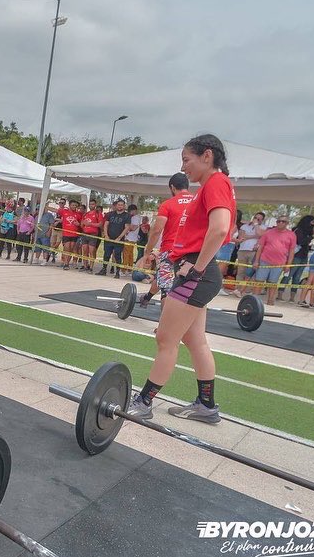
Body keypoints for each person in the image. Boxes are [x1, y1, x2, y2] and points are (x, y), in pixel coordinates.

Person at [126, 134, 236, 423]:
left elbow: (220, 228)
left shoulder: (216, 183)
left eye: (187, 160)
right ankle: (206, 405)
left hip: (197, 272)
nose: (184, 167)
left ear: (207, 156)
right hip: (196, 270)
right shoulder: (210, 186)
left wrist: (197, 268)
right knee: (195, 339)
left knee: (165, 338)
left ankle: (144, 401)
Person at [136, 173, 193, 308]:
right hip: (192, 253)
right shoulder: (198, 201)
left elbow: (156, 230)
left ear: (172, 187)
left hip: (171, 251)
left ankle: (164, 327)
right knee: (175, 283)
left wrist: (147, 252)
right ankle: (147, 297)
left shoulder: (168, 204)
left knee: (166, 289)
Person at [252, 215, 296, 306]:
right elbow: (260, 247)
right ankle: (255, 300)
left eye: (283, 221)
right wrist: (256, 261)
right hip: (264, 260)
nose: (280, 223)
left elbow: (292, 251)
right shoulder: (268, 232)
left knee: (273, 282)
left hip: (279, 263)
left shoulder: (291, 235)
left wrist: (288, 264)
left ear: (287, 223)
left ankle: (270, 301)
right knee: (259, 281)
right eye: (278, 221)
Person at [278, 215, 314, 303]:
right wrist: (312, 237)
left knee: (297, 277)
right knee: (289, 275)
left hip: (304, 256)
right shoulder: (298, 230)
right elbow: (300, 241)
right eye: (312, 222)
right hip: (295, 255)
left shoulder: (308, 232)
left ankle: (292, 297)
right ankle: (280, 294)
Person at [233, 211, 266, 296]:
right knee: (241, 271)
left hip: (254, 252)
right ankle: (237, 288)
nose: (256, 220)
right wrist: (255, 236)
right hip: (243, 250)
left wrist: (256, 226)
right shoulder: (245, 226)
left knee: (250, 272)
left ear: (262, 220)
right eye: (255, 218)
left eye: (259, 219)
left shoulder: (263, 227)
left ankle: (246, 290)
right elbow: (241, 237)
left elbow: (260, 234)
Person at [97, 199, 131, 278]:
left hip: (119, 240)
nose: (120, 206)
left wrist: (119, 237)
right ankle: (104, 269)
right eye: (118, 205)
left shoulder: (127, 215)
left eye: (121, 205)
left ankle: (117, 272)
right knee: (106, 254)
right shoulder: (110, 214)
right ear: (116, 205)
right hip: (109, 238)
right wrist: (106, 235)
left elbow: (127, 227)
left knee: (117, 256)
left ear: (124, 206)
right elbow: (106, 225)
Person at [57, 200, 82, 270]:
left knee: (71, 249)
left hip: (74, 234)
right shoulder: (64, 211)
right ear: (69, 205)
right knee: (66, 248)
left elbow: (81, 224)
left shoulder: (78, 214)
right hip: (66, 234)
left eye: (75, 205)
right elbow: (56, 210)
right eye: (73, 205)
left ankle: (67, 263)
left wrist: (78, 224)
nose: (74, 207)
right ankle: (65, 262)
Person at [79, 199, 101, 271]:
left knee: (92, 251)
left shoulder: (98, 213)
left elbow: (100, 224)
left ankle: (91, 267)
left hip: (93, 234)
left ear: (95, 205)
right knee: (84, 251)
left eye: (93, 204)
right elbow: (82, 224)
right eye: (90, 204)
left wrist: (90, 224)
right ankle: (85, 266)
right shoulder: (86, 214)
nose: (91, 205)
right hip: (85, 234)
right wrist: (82, 224)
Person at [122, 204, 142, 269]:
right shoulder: (134, 217)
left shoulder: (136, 218)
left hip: (130, 238)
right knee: (130, 254)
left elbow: (133, 228)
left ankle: (124, 269)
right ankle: (129, 269)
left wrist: (126, 226)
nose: (129, 213)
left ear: (134, 210)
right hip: (130, 238)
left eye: (130, 211)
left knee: (126, 254)